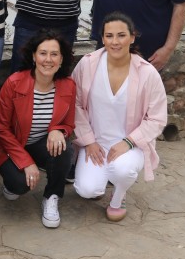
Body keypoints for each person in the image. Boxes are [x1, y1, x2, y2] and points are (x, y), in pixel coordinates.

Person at [71, 12, 168, 221]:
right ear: (102, 38)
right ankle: (102, 179)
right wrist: (88, 141)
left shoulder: (147, 73)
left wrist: (129, 141)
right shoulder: (87, 65)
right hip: (96, 144)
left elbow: (157, 118)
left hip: (130, 144)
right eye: (109, 36)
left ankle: (118, 196)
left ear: (132, 37)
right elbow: (75, 104)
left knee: (122, 171)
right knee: (87, 190)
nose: (115, 42)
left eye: (121, 35)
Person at [0, 30, 76, 228]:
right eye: (43, 53)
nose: (48, 59)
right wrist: (25, 161)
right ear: (33, 56)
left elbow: (69, 124)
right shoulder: (14, 83)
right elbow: (0, 128)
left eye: (54, 54)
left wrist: (59, 130)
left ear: (61, 59)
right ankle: (12, 180)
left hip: (39, 143)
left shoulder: (68, 86)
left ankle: (52, 196)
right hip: (10, 145)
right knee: (19, 186)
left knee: (65, 149)